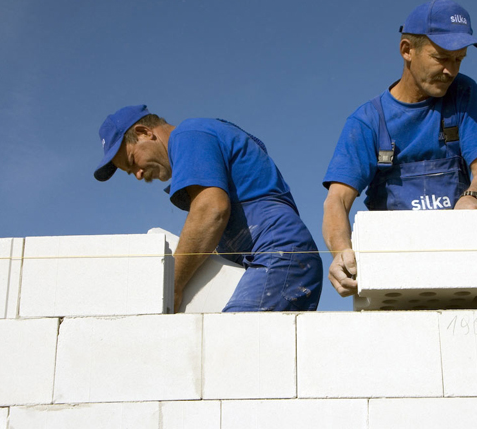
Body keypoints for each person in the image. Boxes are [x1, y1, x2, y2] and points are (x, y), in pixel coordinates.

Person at [322, 0, 477, 297]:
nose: (451, 71)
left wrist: (472, 198)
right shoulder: (367, 121)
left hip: (459, 266)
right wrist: (341, 252)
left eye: (459, 59)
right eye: (442, 58)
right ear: (407, 50)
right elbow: (336, 202)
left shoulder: (463, 94)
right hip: (391, 276)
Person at [94, 105, 323, 312]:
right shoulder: (199, 137)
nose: (138, 175)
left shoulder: (188, 135)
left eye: (133, 162)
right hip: (279, 259)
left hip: (278, 255)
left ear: (145, 132)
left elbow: (211, 211)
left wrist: (171, 286)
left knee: (227, 343)